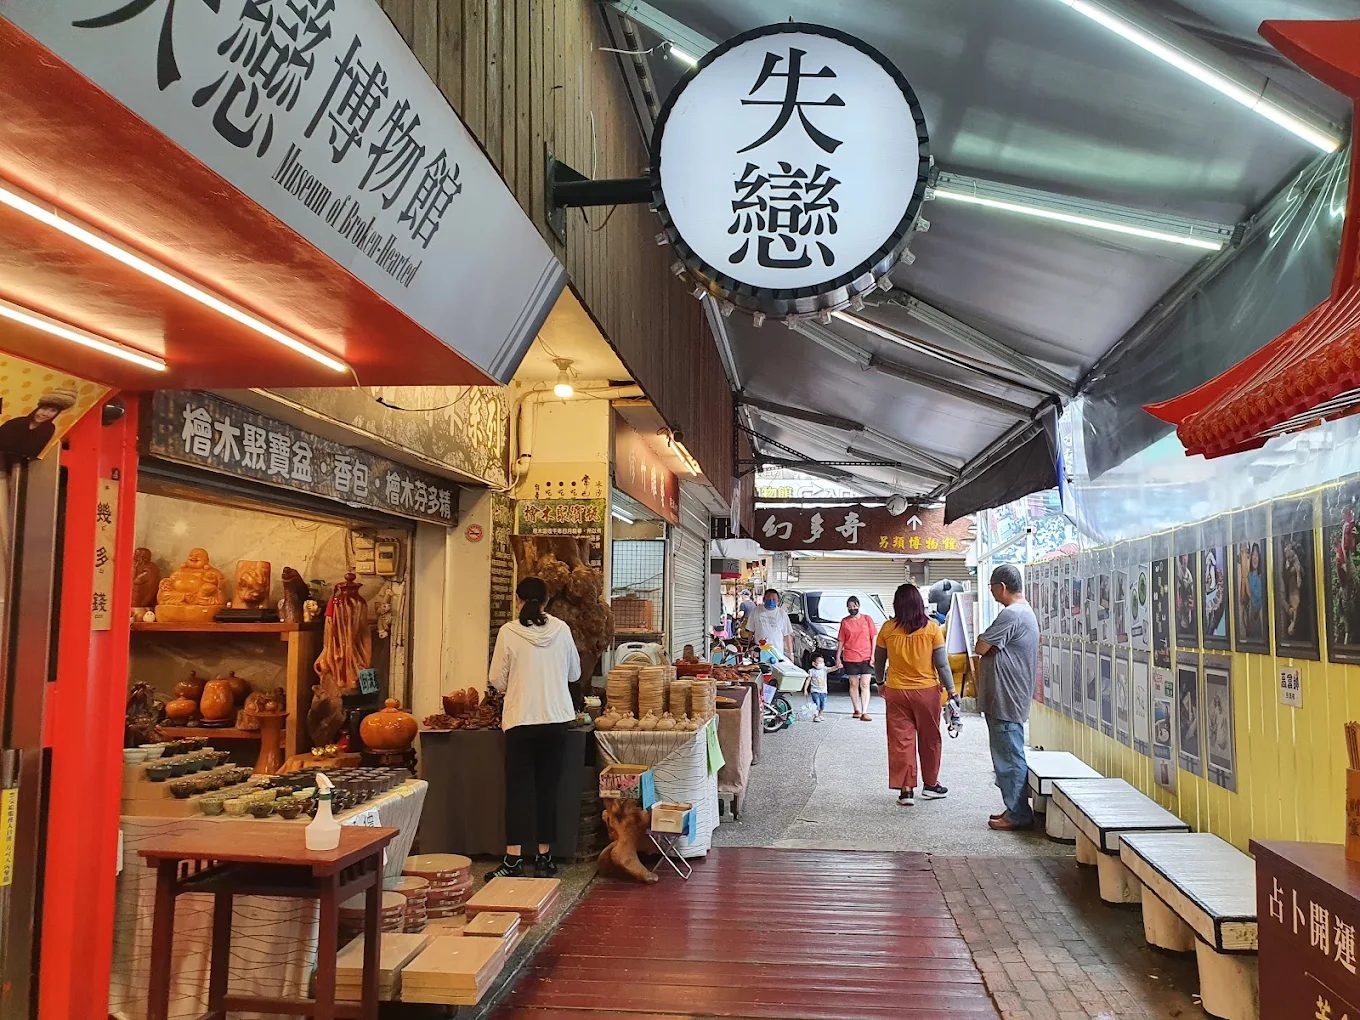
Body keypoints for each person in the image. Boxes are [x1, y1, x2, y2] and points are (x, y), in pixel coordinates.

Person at [485, 576, 580, 880]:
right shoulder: (562, 630)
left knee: (518, 791)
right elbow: (574, 673)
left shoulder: (509, 632)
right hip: (555, 720)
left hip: (521, 720)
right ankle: (545, 858)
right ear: (547, 601)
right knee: (548, 789)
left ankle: (513, 860)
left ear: (518, 600)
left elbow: (497, 680)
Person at [873, 584, 957, 806]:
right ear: (920, 603)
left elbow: (879, 660)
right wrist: (952, 691)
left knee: (901, 741)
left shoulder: (887, 629)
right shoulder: (931, 629)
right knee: (930, 739)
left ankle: (906, 789)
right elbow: (942, 664)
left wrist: (880, 682)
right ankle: (930, 785)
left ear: (897, 605)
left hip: (897, 692)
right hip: (927, 692)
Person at [975, 564, 1040, 831]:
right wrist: (989, 647)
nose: (991, 593)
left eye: (991, 588)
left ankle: (1018, 814)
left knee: (1009, 755)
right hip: (1006, 695)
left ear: (1002, 586)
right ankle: (1013, 807)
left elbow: (981, 646)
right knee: (1005, 753)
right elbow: (986, 647)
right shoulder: (1020, 613)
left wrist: (989, 646)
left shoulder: (1012, 614)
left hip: (1006, 696)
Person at [0, 388, 77, 462]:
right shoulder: (16, 422)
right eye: (44, 408)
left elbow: (33, 454)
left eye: (53, 411)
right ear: (37, 408)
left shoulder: (49, 429)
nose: (45, 414)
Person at [835, 596, 878, 722]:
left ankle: (865, 711)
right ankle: (856, 709)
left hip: (866, 655)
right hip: (850, 656)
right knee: (853, 683)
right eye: (850, 607)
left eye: (854, 606)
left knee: (865, 684)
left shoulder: (867, 619)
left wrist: (873, 655)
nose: (852, 609)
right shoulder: (845, 622)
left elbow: (874, 637)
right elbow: (841, 640)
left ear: (858, 606)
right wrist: (838, 657)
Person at [745, 588, 793, 660]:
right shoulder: (756, 611)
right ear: (764, 599)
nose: (771, 601)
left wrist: (790, 653)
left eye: (774, 599)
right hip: (759, 652)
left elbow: (787, 635)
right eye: (769, 599)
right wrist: (748, 648)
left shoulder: (782, 614)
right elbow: (751, 631)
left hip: (777, 652)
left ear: (778, 601)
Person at [803, 654, 829, 722]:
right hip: (815, 690)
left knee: (823, 704)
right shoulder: (811, 671)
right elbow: (808, 680)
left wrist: (837, 666)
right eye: (819, 662)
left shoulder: (824, 669)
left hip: (823, 691)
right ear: (814, 663)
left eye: (822, 662)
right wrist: (805, 689)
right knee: (816, 704)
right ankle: (816, 716)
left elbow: (832, 668)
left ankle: (820, 714)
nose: (821, 663)